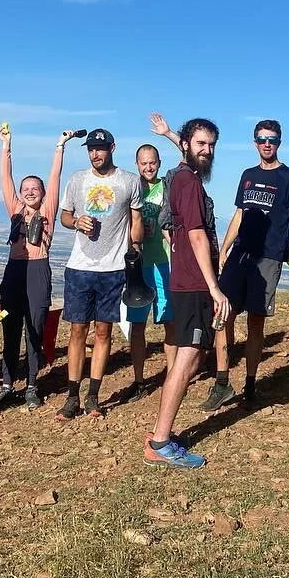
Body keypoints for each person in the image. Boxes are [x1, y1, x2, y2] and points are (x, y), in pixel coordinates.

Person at [143, 118, 232, 468]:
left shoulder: (179, 177)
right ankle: (161, 441)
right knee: (186, 359)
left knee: (190, 357)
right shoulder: (188, 181)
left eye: (211, 145)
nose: (207, 151)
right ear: (187, 145)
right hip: (194, 283)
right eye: (200, 144)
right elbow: (196, 234)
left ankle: (159, 433)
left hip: (186, 280)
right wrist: (215, 288)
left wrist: (168, 134)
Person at [210, 120, 289, 407]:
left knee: (255, 324)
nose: (267, 143)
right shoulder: (248, 175)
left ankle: (251, 386)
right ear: (255, 141)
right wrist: (224, 248)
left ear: (279, 142)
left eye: (273, 139)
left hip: (268, 256)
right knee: (222, 314)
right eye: (262, 138)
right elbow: (240, 215)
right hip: (240, 254)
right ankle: (221, 382)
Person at [57, 128, 143, 419]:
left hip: (113, 268)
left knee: (104, 331)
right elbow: (64, 215)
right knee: (77, 330)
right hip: (79, 267)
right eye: (91, 148)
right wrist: (75, 222)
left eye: (100, 148)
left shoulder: (129, 181)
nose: (95, 153)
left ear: (112, 148)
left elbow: (136, 219)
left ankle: (93, 396)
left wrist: (136, 247)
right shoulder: (77, 179)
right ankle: (72, 396)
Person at [0, 126, 72, 412]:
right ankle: (7, 384)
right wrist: (6, 146)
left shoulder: (48, 211)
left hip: (38, 270)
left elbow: (55, 176)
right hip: (14, 271)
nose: (29, 193)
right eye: (25, 190)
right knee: (10, 329)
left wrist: (59, 147)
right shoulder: (14, 209)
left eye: (34, 189)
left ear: (43, 193)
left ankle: (33, 384)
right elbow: (5, 178)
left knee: (34, 329)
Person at [120, 141, 175, 404]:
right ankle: (140, 380)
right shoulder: (132, 187)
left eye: (152, 162)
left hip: (164, 262)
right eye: (144, 163)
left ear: (159, 163)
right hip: (138, 266)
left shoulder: (167, 187)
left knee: (169, 323)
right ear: (137, 165)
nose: (148, 167)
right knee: (137, 326)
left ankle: (174, 378)